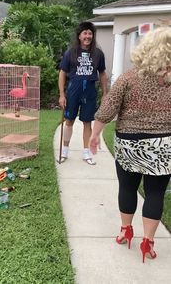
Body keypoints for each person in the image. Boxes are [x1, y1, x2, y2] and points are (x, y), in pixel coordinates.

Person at [89, 26, 171, 263]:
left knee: (127, 188)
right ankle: (148, 242)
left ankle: (126, 231)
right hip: (163, 144)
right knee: (155, 193)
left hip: (129, 143)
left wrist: (95, 136)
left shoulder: (128, 77)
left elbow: (106, 110)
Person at [58, 21, 108, 164]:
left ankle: (86, 153)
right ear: (79, 36)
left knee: (87, 123)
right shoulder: (71, 52)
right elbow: (62, 73)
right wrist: (62, 94)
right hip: (73, 90)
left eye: (90, 33)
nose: (88, 36)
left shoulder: (98, 54)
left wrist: (105, 93)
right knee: (69, 121)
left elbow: (102, 73)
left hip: (90, 92)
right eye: (85, 33)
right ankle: (65, 151)